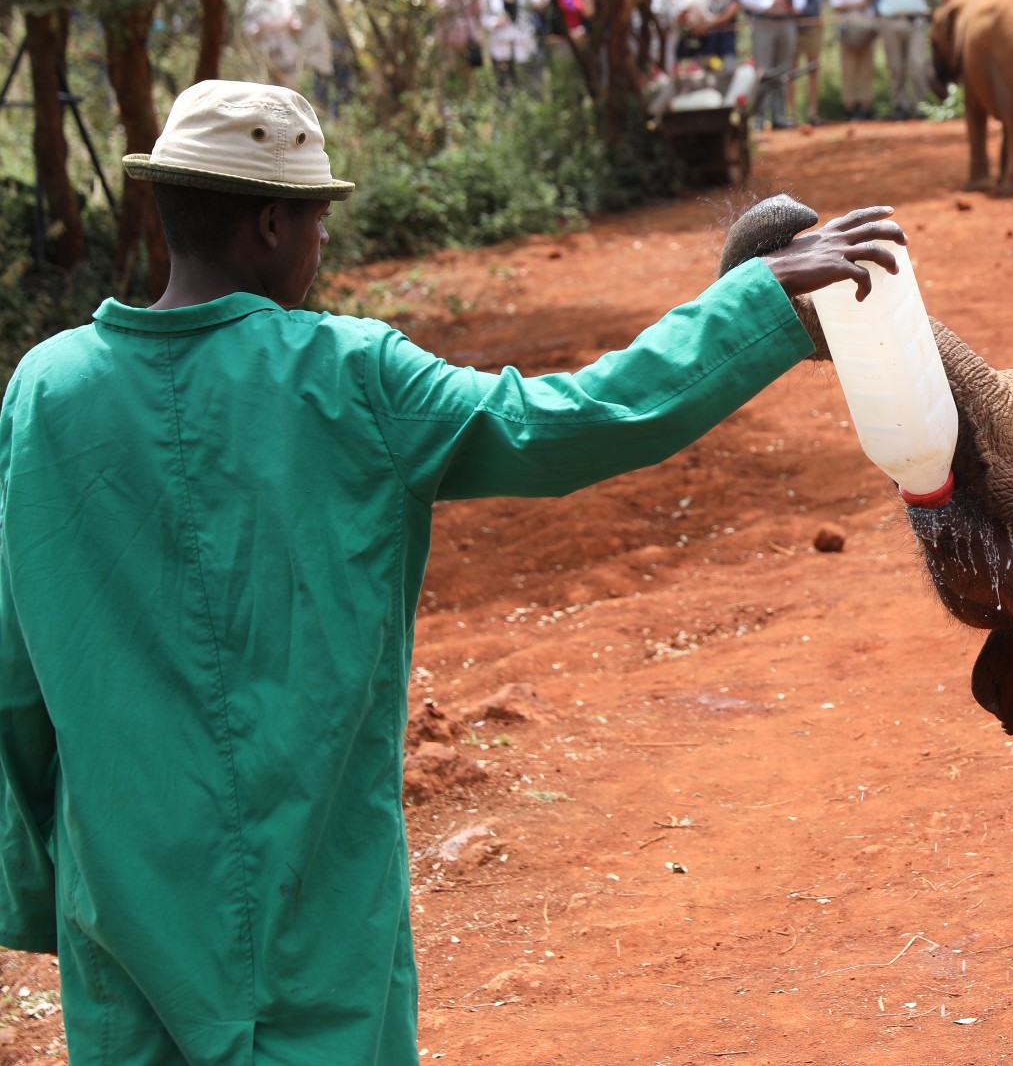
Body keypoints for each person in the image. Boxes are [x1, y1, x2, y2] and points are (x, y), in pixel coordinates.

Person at [0, 78, 908, 1065]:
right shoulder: (350, 376)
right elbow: (571, 421)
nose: (318, 250)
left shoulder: (44, 391)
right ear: (270, 222)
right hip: (312, 909)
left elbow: (14, 679)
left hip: (124, 910)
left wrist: (49, 888)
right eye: (316, 225)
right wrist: (749, 311)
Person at [868, 0, 938, 119]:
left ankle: (921, 106)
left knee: (917, 63)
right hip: (890, 21)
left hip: (916, 21)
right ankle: (899, 105)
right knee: (896, 67)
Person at [739, 0, 806, 129]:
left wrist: (792, 5)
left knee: (783, 70)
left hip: (786, 22)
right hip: (763, 24)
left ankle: (779, 116)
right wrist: (769, 2)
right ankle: (758, 118)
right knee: (763, 71)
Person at [287, 0, 355, 114]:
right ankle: (319, 116)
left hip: (337, 39)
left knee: (343, 80)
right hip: (315, 42)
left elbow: (350, 4)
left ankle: (340, 116)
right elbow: (299, 12)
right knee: (320, 82)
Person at [828, 0, 879, 120]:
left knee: (866, 68)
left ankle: (866, 107)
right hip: (847, 26)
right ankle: (849, 108)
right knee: (849, 69)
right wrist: (859, 4)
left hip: (867, 26)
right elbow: (836, 4)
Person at [478, 0, 546, 89]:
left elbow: (541, 3)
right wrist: (495, 22)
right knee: (503, 84)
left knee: (529, 82)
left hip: (524, 43)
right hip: (500, 45)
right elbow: (483, 18)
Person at [240, 0, 300, 86]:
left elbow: (295, 25)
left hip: (287, 54)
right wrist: (267, 28)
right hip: (267, 56)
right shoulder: (254, 5)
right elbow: (251, 34)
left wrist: (280, 25)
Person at [791, 0, 825, 125]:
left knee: (813, 68)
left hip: (811, 25)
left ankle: (812, 113)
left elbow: (817, 0)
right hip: (792, 27)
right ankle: (792, 115)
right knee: (791, 70)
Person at [430, 0, 482, 71]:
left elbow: (476, 10)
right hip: (448, 37)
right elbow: (443, 8)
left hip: (468, 38)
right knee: (449, 70)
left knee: (467, 70)